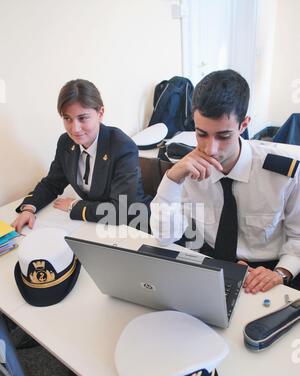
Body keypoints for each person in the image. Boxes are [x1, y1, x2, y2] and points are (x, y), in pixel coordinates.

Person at [151, 69, 300, 294]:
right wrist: (172, 179)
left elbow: (298, 235)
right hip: (211, 265)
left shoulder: (282, 173)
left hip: (265, 272)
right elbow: (165, 236)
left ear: (243, 125)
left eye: (223, 136)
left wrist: (281, 273)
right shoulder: (187, 169)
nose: (210, 149)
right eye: (201, 134)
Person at [13, 79, 150, 233]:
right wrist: (29, 208)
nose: (75, 129)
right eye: (67, 119)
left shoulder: (122, 146)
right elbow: (52, 183)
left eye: (82, 118)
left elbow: (122, 211)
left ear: (100, 113)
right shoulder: (66, 142)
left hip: (131, 227)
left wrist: (74, 206)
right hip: (91, 226)